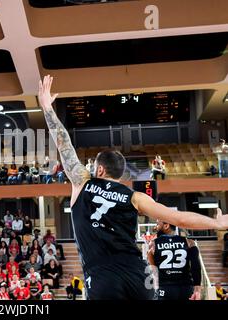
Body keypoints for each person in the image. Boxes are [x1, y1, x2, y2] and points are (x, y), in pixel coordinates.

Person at [38, 75, 228, 300]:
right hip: (138, 275)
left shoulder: (82, 182)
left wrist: (47, 108)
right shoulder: (135, 197)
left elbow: (63, 143)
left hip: (102, 277)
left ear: (99, 170)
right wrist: (217, 223)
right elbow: (181, 220)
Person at [148, 220, 202, 300]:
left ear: (166, 226)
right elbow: (196, 266)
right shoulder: (189, 242)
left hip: (165, 288)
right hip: (186, 288)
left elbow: (153, 269)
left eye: (157, 224)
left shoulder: (153, 244)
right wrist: (197, 288)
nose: (155, 227)